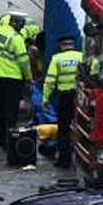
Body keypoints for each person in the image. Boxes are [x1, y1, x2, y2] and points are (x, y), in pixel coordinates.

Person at [0, 15, 32, 157]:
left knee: (0, 110)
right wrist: (28, 78)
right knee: (11, 112)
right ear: (15, 23)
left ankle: (0, 140)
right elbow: (24, 61)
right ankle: (9, 143)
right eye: (21, 25)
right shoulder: (16, 38)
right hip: (13, 79)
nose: (21, 28)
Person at [43, 36, 83, 168]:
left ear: (61, 46)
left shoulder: (57, 59)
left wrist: (45, 98)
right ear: (72, 45)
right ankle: (81, 157)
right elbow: (92, 72)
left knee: (64, 129)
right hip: (79, 97)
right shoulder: (81, 57)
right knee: (81, 128)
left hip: (64, 97)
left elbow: (50, 80)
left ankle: (64, 160)